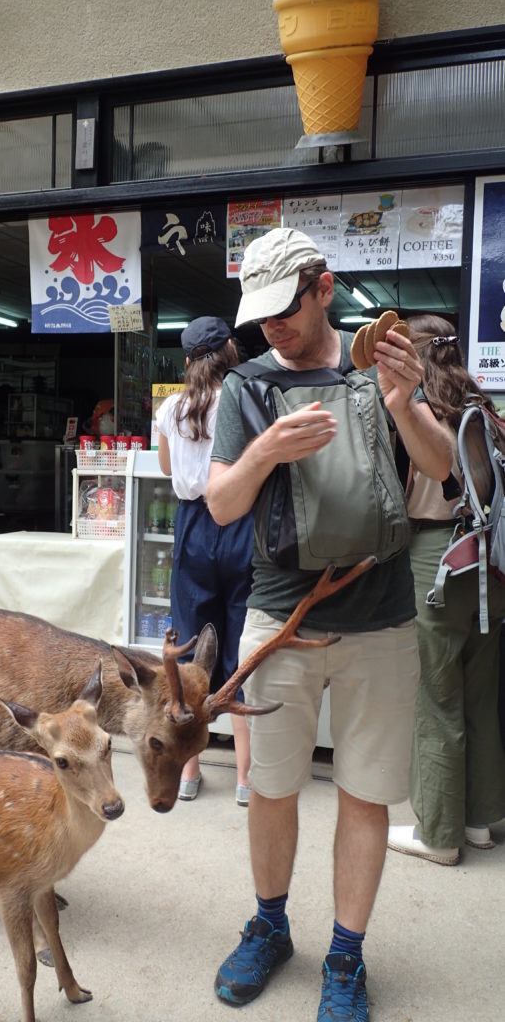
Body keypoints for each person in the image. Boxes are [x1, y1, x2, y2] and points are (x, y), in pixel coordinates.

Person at [205, 228, 452, 1021]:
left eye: (285, 309)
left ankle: (345, 957)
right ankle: (269, 926)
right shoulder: (245, 386)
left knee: (364, 794)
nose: (271, 327)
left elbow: (442, 469)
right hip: (281, 616)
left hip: (379, 619)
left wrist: (403, 404)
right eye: (259, 314)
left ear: (323, 287)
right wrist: (263, 454)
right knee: (272, 787)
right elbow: (220, 503)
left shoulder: (380, 362)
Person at [387, 314, 505, 865]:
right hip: (494, 565)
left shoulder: (420, 413)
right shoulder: (485, 410)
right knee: (479, 695)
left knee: (436, 699)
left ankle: (437, 833)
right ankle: (479, 821)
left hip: (440, 561)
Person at [156, 316, 254, 806]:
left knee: (194, 650)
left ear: (188, 359)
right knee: (240, 648)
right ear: (230, 350)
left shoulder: (170, 408)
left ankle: (190, 773)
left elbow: (168, 468)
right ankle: (244, 779)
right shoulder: (243, 397)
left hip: (193, 525)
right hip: (239, 520)